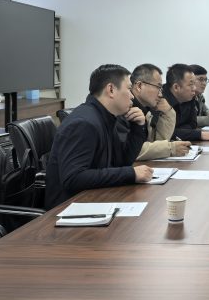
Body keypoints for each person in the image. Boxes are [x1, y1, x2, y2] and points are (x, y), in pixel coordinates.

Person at [45, 64, 153, 210]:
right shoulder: (84, 123)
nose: (132, 96)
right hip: (68, 210)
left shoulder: (106, 117)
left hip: (94, 199)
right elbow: (73, 178)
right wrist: (130, 173)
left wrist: (137, 127)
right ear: (111, 89)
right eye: (128, 89)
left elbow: (123, 161)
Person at [130, 63, 192, 161]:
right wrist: (171, 148)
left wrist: (168, 113)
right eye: (158, 87)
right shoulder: (126, 110)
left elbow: (158, 141)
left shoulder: (146, 110)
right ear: (139, 86)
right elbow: (131, 150)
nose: (160, 94)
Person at [161, 63, 209, 142]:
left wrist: (180, 131)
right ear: (176, 87)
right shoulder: (160, 100)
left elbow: (193, 124)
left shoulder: (190, 97)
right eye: (191, 84)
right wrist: (199, 134)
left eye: (194, 84)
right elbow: (166, 133)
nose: (194, 88)